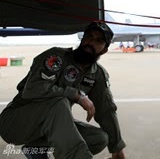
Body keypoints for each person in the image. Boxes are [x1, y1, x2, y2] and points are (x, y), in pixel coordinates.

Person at [0, 22, 126, 159]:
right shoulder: (56, 57)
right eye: (89, 37)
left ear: (104, 49)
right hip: (15, 123)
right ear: (82, 39)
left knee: (99, 138)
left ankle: (36, 149)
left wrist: (116, 147)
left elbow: (106, 110)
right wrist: (76, 95)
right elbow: (32, 89)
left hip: (45, 126)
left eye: (98, 40)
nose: (91, 42)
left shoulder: (97, 75)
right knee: (59, 102)